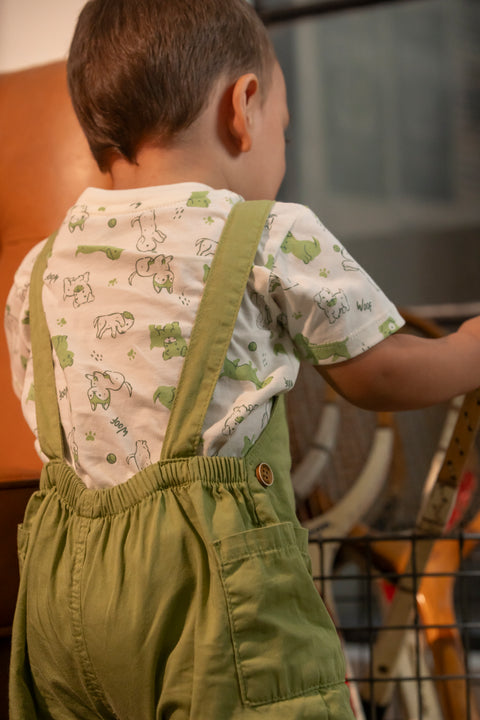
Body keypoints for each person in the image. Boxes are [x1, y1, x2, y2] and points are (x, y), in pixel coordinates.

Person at [4, 0, 480, 718]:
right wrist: (468, 350)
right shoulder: (270, 233)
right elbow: (379, 373)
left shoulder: (36, 270)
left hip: (62, 606)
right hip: (207, 604)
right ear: (244, 107)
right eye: (283, 133)